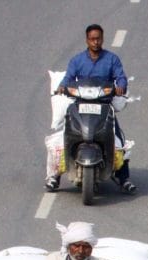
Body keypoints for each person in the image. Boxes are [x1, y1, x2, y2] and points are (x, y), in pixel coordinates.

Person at [48, 24, 135, 194]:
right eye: (92, 39)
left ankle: (124, 178)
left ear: (102, 39)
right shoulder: (77, 61)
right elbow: (68, 78)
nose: (96, 42)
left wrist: (121, 86)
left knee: (119, 140)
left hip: (103, 105)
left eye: (98, 39)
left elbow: (121, 77)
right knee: (62, 138)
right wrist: (62, 87)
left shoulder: (112, 60)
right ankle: (54, 177)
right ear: (87, 40)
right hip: (80, 105)